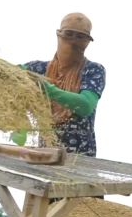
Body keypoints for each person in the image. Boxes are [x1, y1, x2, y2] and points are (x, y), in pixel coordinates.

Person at [17, 12, 106, 157]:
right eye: (69, 34)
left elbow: (85, 105)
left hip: (81, 160)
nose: (73, 41)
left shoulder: (93, 70)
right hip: (46, 157)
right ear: (59, 35)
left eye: (80, 37)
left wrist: (49, 90)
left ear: (87, 42)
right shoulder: (38, 69)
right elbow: (7, 75)